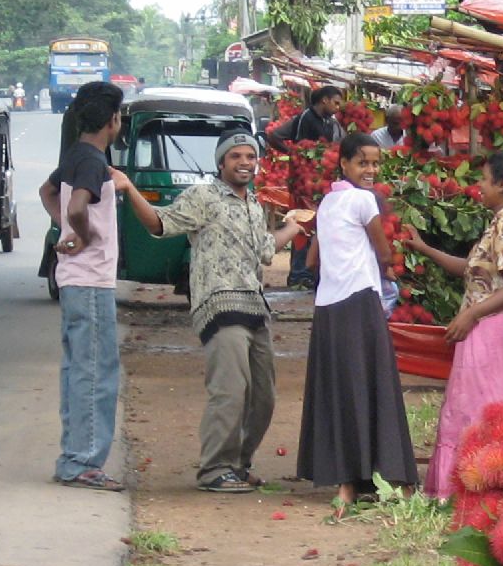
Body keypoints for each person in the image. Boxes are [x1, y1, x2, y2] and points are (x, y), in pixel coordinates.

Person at [112, 129, 313, 493]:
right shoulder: (203, 195)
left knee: (264, 396)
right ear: (221, 162)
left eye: (250, 157)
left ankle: (237, 463)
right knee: (231, 390)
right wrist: (129, 189)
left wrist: (292, 228)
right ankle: (213, 469)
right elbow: (159, 224)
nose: (244, 163)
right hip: (220, 305)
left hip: (255, 306)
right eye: (236, 156)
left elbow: (266, 250)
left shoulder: (254, 205)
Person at [408, 152, 503, 497]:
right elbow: (473, 269)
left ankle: (475, 492)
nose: (478, 187)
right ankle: (495, 491)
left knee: (479, 413)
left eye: (484, 180)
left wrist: (470, 315)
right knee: (496, 415)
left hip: (501, 331)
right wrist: (424, 249)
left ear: (502, 184)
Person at [298, 131, 418, 517]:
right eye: (363, 162)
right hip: (360, 301)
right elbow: (384, 251)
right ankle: (390, 479)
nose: (370, 169)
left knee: (340, 390)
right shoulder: (365, 200)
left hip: (328, 307)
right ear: (345, 164)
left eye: (375, 163)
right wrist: (386, 261)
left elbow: (312, 261)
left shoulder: (327, 202)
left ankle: (347, 483)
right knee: (375, 383)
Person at [38, 81, 129, 491]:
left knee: (78, 370)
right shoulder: (93, 159)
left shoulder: (76, 155)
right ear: (112, 120)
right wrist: (84, 234)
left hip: (75, 280)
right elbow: (76, 205)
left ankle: (72, 457)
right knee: (96, 372)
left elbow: (48, 191)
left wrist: (64, 228)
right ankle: (84, 463)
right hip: (92, 282)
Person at [268, 84, 346, 290]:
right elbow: (275, 137)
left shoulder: (330, 122)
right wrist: (294, 154)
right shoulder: (306, 118)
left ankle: (310, 273)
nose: (338, 107)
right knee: (303, 225)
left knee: (317, 226)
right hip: (304, 184)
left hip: (322, 182)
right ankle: (298, 275)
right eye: (336, 102)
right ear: (325, 100)